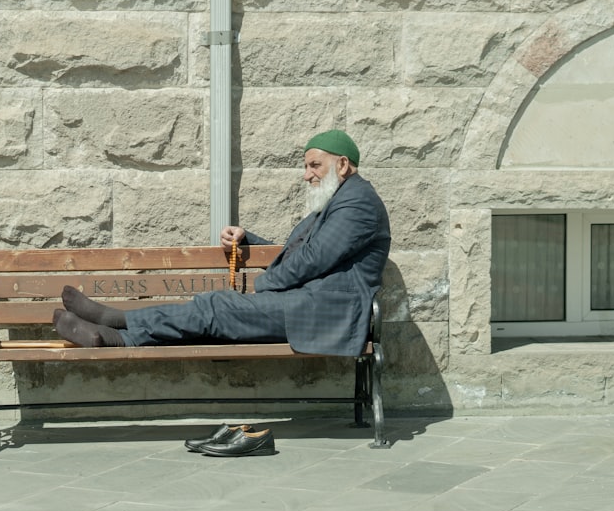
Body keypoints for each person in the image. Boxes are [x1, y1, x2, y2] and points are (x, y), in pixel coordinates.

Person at [53, 129, 390, 357]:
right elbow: (301, 252)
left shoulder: (357, 203)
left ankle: (118, 328)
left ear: (343, 164)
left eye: (314, 165)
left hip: (326, 313)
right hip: (309, 304)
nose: (306, 175)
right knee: (215, 308)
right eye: (305, 166)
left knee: (217, 307)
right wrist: (248, 241)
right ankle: (117, 330)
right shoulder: (340, 201)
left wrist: (264, 284)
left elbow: (314, 258)